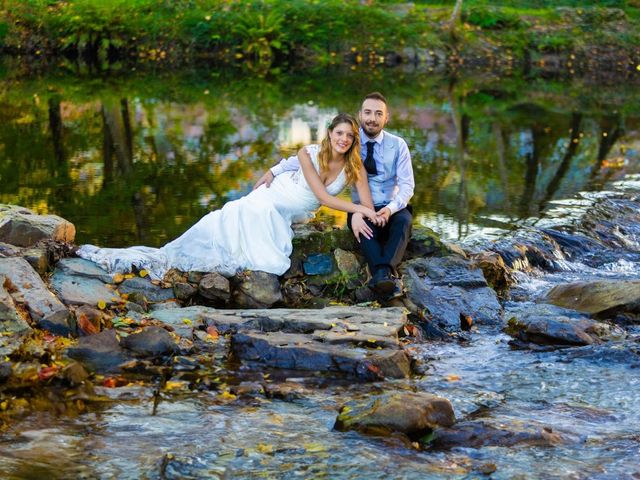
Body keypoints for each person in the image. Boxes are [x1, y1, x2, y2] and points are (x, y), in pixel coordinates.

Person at [76, 113, 378, 280]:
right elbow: (323, 196)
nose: (343, 139)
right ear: (329, 133)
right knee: (227, 220)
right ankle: (166, 255)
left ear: (354, 141)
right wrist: (273, 172)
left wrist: (356, 218)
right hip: (270, 198)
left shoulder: (354, 167)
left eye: (349, 136)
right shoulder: (306, 153)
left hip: (289, 212)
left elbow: (367, 205)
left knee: (263, 252)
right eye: (339, 133)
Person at [254, 92, 414, 299]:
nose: (372, 118)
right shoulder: (351, 146)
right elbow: (306, 158)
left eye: (378, 113)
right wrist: (274, 171)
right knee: (362, 229)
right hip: (361, 205)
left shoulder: (398, 145)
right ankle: (383, 275)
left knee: (403, 222)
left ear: (386, 117)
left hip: (391, 205)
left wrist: (391, 208)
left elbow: (407, 185)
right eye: (367, 113)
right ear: (360, 115)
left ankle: (382, 273)